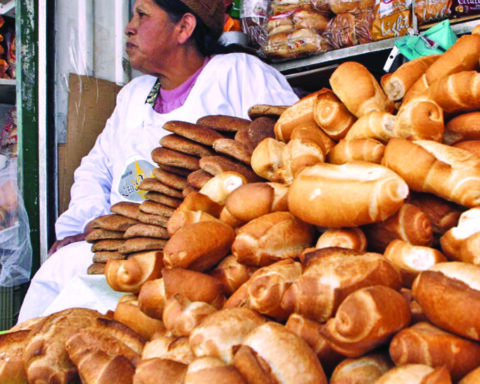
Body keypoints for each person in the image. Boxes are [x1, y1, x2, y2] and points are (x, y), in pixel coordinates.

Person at [17, 0, 299, 322]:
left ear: (184, 28)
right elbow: (96, 169)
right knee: (60, 273)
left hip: (198, 261)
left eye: (143, 14)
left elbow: (288, 153)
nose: (129, 26)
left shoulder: (237, 74)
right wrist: (87, 224)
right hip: (119, 252)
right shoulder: (135, 95)